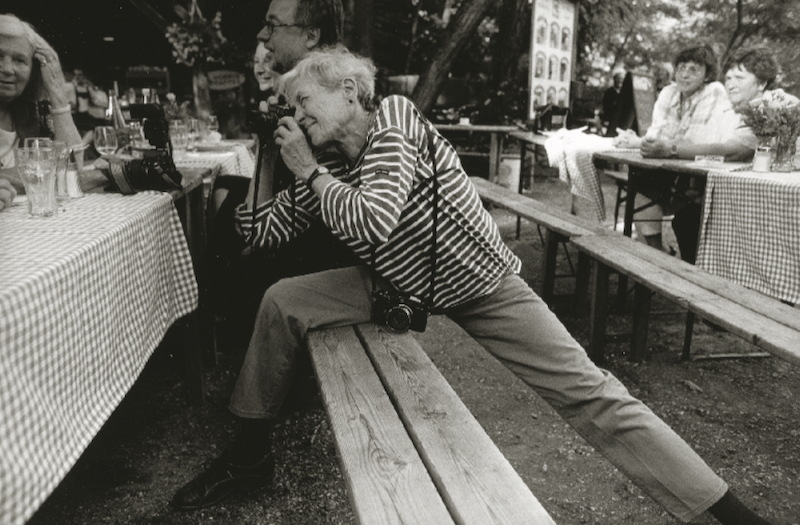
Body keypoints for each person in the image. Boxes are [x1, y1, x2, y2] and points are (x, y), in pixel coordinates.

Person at [170, 47, 775, 525]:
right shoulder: (324, 166)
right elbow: (259, 231)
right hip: (395, 285)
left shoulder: (395, 120)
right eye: (288, 110)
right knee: (284, 301)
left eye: (302, 101)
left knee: (592, 394)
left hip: (482, 286)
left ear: (350, 90)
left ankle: (731, 513)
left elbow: (374, 216)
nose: (295, 116)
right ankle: (249, 458)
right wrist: (268, 159)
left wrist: (305, 171)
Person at [206, 0, 356, 344]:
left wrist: (273, 153)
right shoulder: (307, 94)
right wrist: (268, 148)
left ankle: (217, 323)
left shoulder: (326, 113)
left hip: (332, 269)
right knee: (228, 194)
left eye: (273, 25)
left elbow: (259, 230)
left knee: (235, 244)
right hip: (302, 238)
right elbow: (259, 226)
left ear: (311, 35)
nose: (263, 34)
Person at [614, 43, 731, 253]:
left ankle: (657, 257)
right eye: (681, 68)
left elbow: (698, 141)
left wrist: (649, 143)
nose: (684, 75)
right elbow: (657, 136)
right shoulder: (669, 92)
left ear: (707, 75)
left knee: (646, 187)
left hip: (701, 173)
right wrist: (638, 141)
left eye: (693, 70)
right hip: (672, 169)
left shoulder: (714, 92)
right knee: (640, 184)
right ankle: (657, 252)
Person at [668, 46, 778, 262]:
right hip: (752, 200)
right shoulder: (740, 110)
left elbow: (734, 151)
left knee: (688, 220)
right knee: (687, 217)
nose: (730, 83)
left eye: (739, 77)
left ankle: (700, 282)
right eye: (728, 77)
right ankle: (701, 280)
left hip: (770, 210)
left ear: (762, 83)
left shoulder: (766, 108)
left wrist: (672, 149)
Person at [0, 13, 82, 188]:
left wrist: (57, 91)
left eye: (19, 60)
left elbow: (71, 170)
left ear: (32, 70)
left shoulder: (29, 111)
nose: (7, 69)